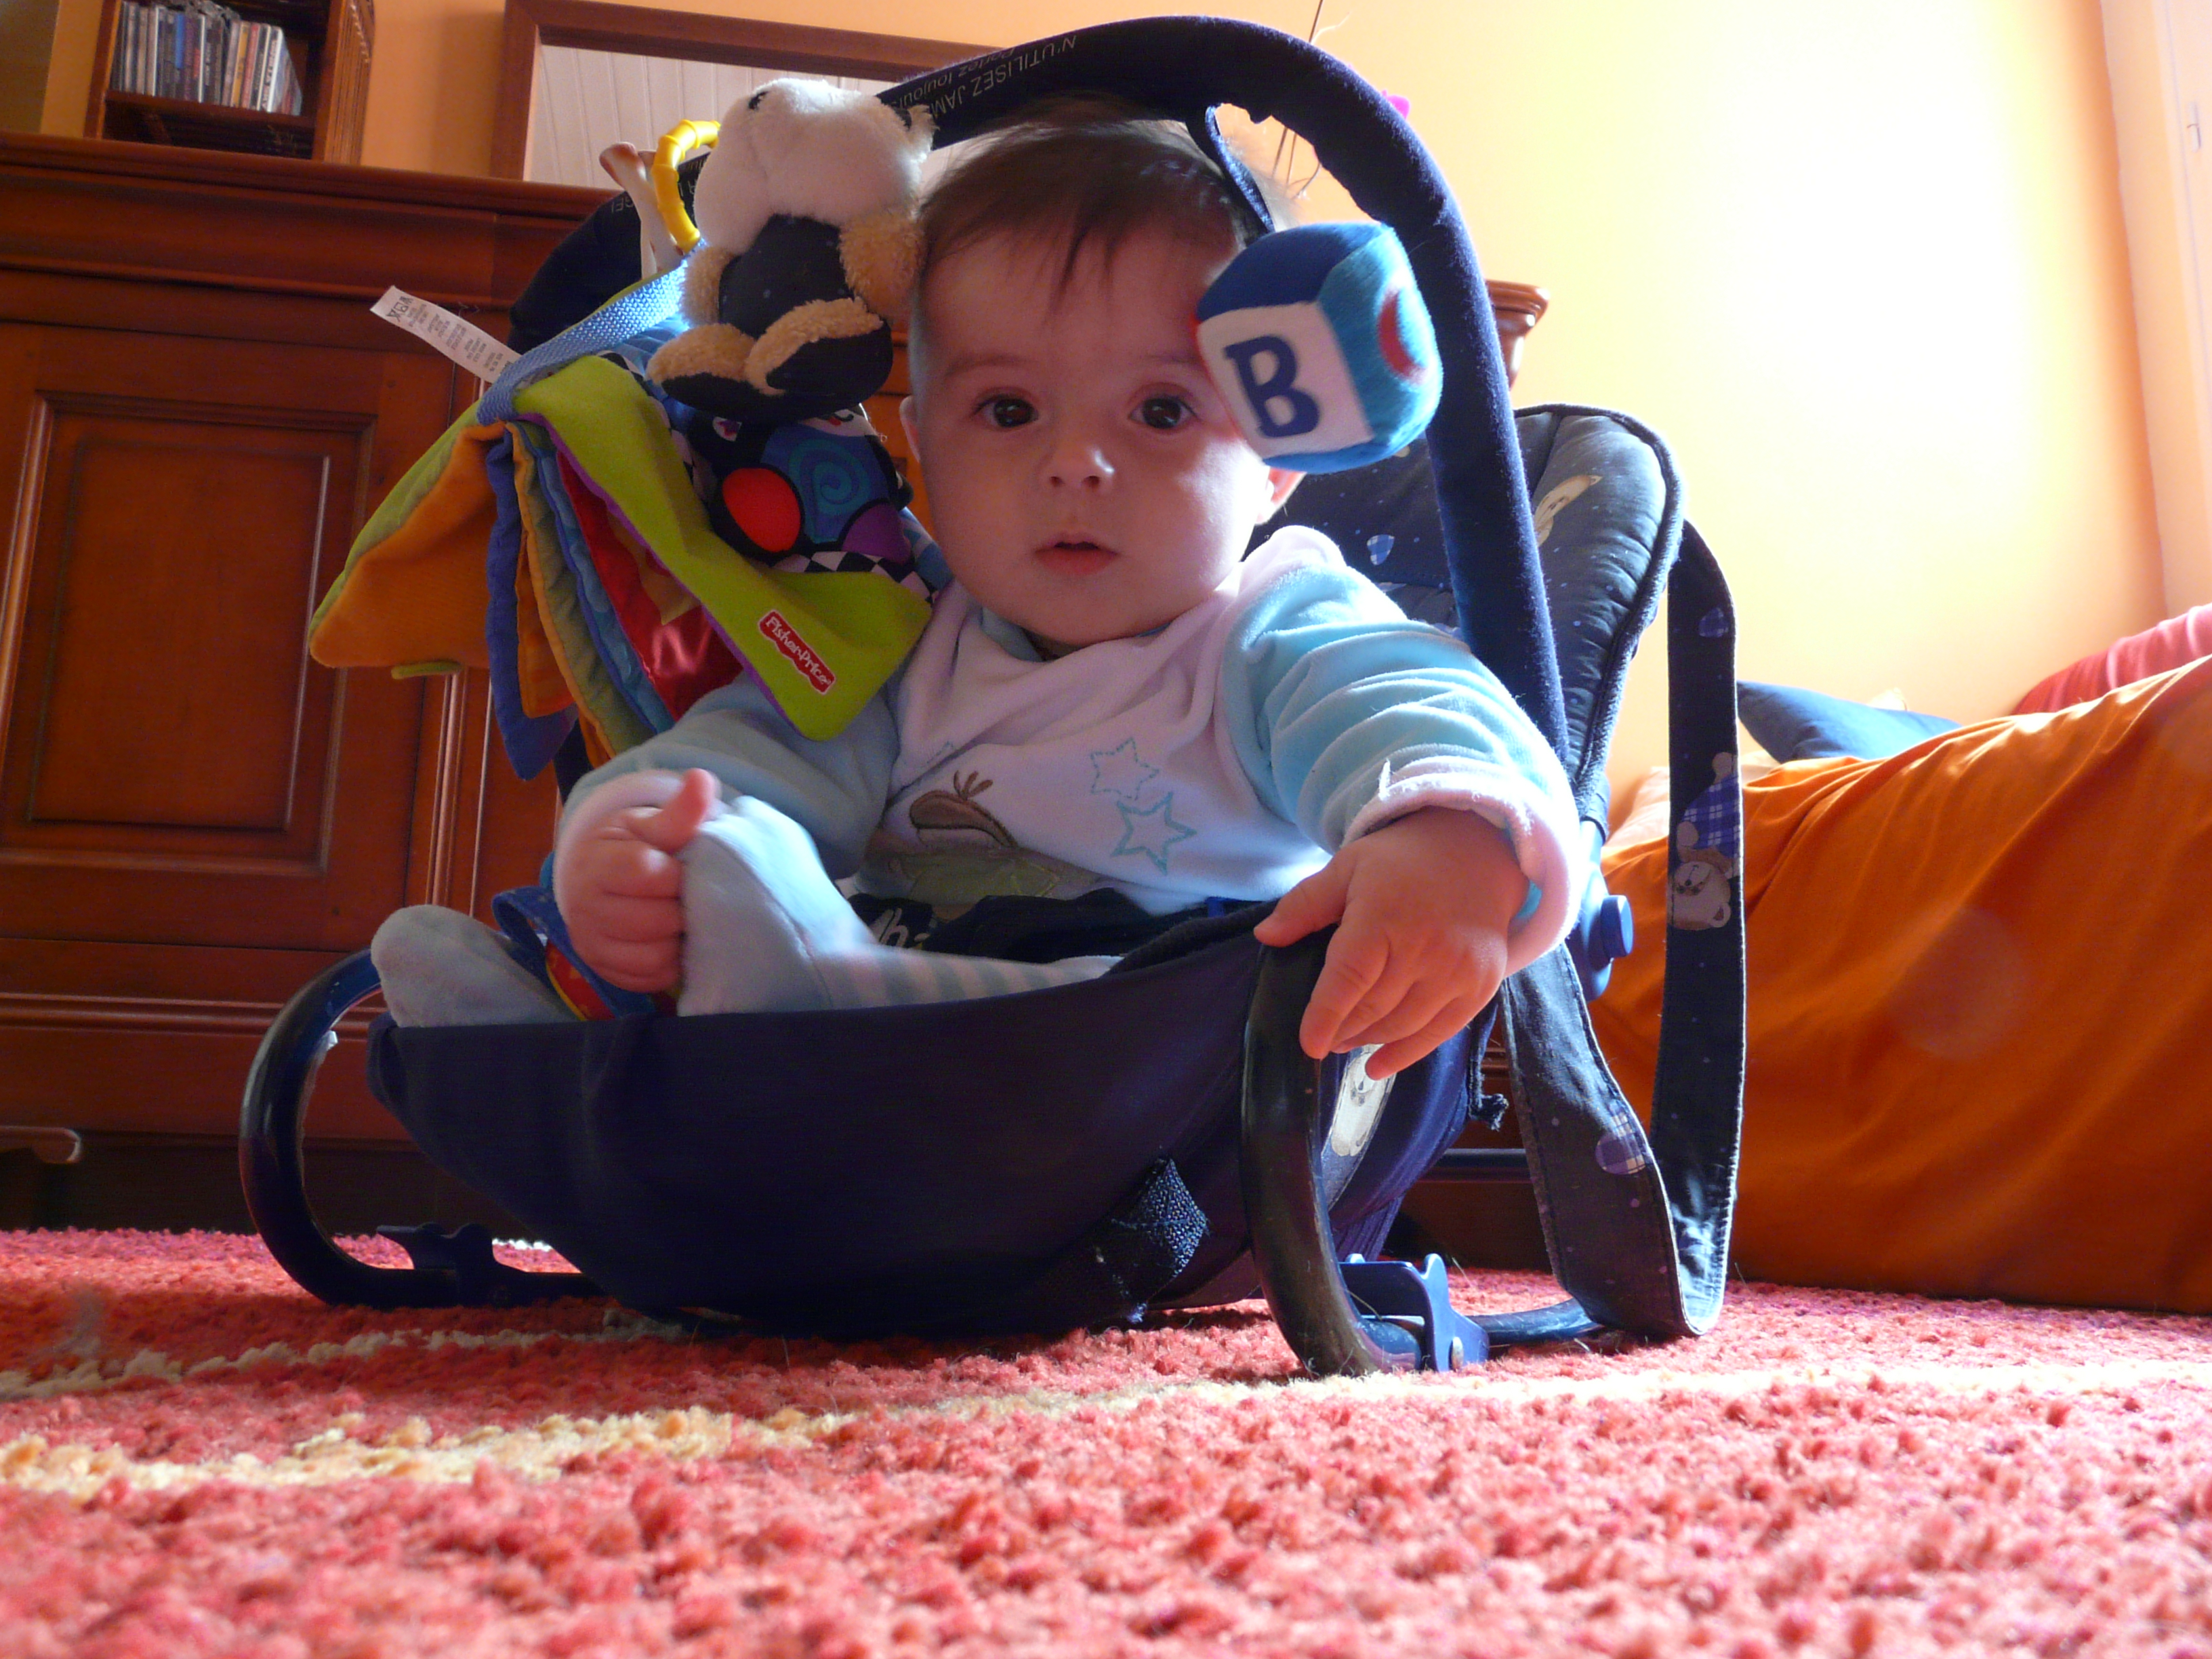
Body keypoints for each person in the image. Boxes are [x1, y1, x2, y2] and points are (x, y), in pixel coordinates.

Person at [371, 105, 1584, 1082]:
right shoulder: (909, 638)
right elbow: (749, 759)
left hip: (1139, 1051)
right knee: (727, 852)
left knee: (1067, 1008)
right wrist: (637, 839)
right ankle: (548, 1061)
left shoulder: (1275, 631)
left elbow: (1416, 712)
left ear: (1273, 464)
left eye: (1161, 411)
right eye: (1008, 410)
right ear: (925, 457)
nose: (1076, 464)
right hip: (870, 1034)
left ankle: (713, 1037)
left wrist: (1446, 844)